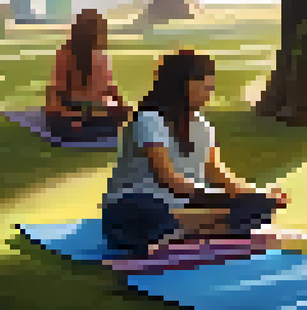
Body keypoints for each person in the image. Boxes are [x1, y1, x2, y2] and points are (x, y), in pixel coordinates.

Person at [101, 51, 288, 257]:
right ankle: (198, 229)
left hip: (183, 208)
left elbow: (218, 175)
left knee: (259, 208)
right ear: (183, 84)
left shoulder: (202, 126)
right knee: (151, 212)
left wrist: (258, 194)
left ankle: (187, 230)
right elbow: (169, 180)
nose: (210, 92)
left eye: (211, 87)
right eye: (205, 86)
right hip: (137, 204)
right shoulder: (149, 120)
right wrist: (222, 200)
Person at [45, 9, 129, 142]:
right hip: (96, 111)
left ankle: (77, 124)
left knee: (58, 113)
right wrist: (121, 108)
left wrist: (60, 111)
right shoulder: (102, 56)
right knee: (109, 112)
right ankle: (86, 124)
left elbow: (59, 91)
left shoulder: (65, 53)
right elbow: (110, 90)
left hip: (76, 111)